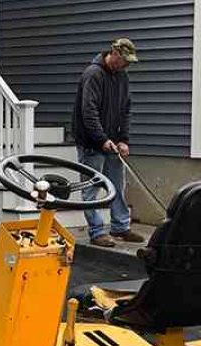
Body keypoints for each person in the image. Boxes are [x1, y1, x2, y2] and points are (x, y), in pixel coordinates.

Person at [73, 38, 145, 248]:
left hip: (112, 141)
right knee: (91, 188)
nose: (127, 65)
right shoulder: (93, 74)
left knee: (117, 185)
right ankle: (96, 231)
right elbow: (88, 112)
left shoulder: (122, 76)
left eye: (129, 62)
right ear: (114, 54)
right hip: (91, 142)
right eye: (124, 61)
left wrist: (123, 140)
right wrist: (101, 139)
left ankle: (120, 227)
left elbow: (126, 110)